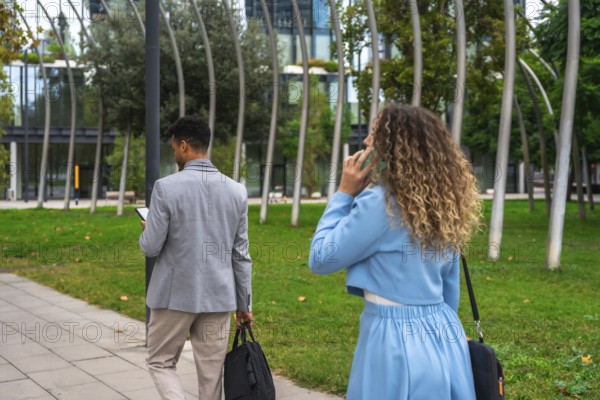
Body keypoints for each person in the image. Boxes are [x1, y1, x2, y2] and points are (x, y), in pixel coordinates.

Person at [309, 104, 481, 399]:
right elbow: (449, 288)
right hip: (444, 333)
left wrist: (344, 193)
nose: (365, 142)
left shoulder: (380, 204)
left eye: (374, 135)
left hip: (393, 338)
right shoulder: (442, 203)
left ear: (393, 145)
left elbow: (322, 258)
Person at [139, 115, 253, 400]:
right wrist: (244, 304)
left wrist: (149, 227)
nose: (174, 153)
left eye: (175, 147)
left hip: (173, 297)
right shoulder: (237, 191)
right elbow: (241, 255)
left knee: (160, 361)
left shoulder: (166, 187)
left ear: (185, 145)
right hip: (219, 296)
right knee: (212, 376)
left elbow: (151, 247)